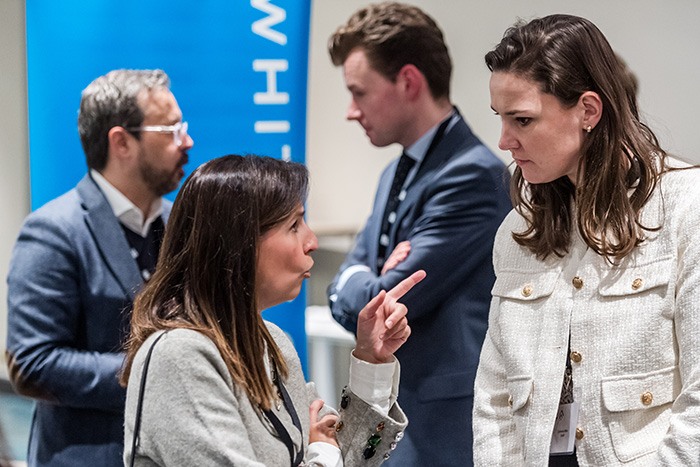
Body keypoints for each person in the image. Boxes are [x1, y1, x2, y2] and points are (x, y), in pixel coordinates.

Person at [473, 14, 700, 466]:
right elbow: (494, 403)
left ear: (588, 111)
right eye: (501, 118)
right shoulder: (517, 231)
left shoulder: (685, 208)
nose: (504, 141)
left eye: (522, 120)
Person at [120, 154, 425, 466]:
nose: (312, 241)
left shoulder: (272, 341)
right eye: (294, 225)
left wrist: (370, 360)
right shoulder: (179, 356)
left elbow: (347, 459)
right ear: (239, 243)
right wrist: (322, 452)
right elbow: (331, 455)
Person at [326, 3, 511, 465]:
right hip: (397, 419)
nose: (351, 111)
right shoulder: (393, 172)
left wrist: (363, 278)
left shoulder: (472, 174)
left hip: (441, 433)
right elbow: (348, 290)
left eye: (359, 92)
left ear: (408, 81)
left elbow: (384, 304)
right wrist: (362, 279)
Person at [5, 69, 193, 467]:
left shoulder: (181, 224)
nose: (186, 141)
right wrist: (155, 370)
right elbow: (31, 365)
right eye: (171, 130)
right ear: (121, 142)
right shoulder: (54, 231)